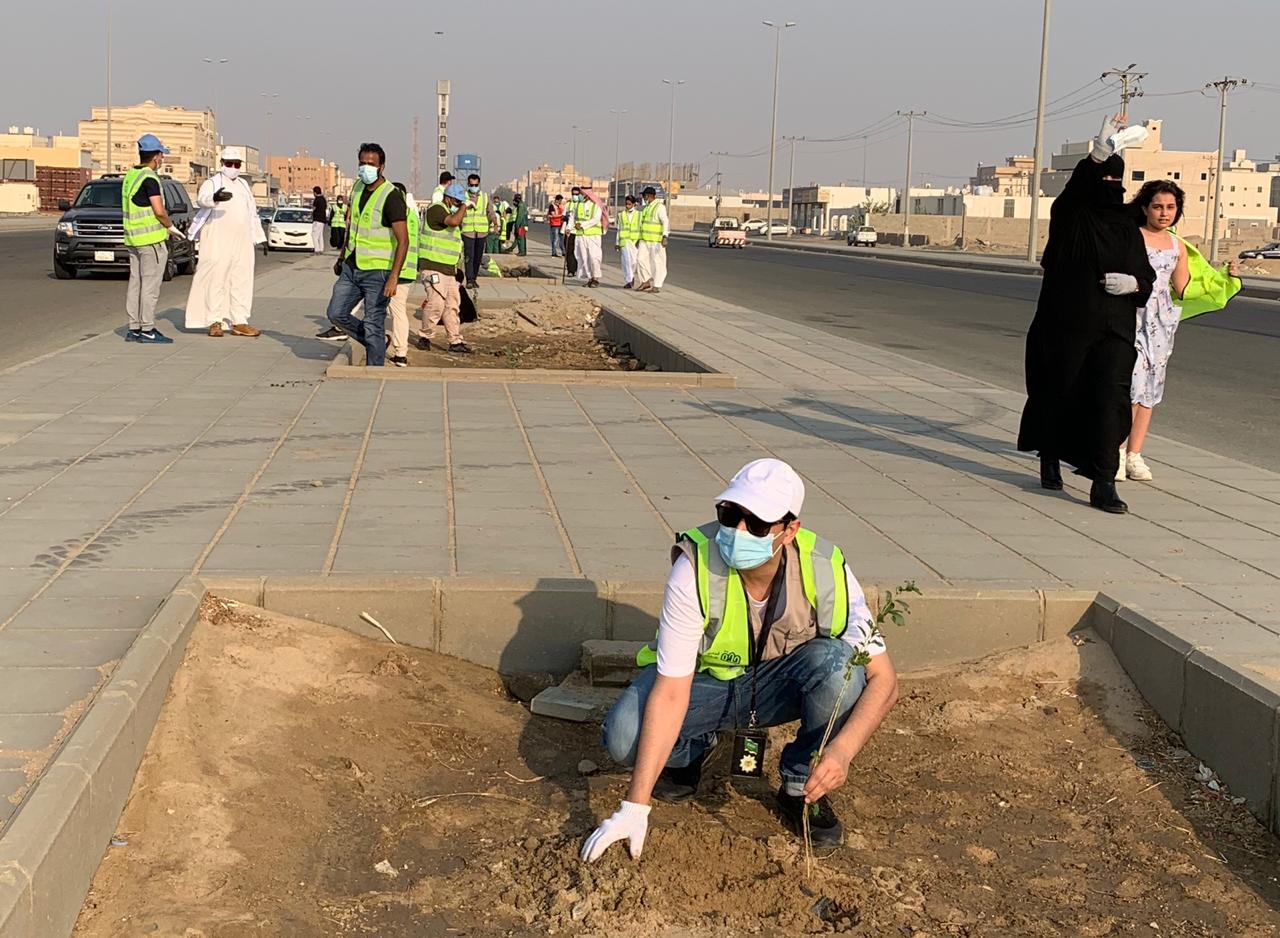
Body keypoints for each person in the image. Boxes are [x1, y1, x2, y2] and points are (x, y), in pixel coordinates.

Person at [581, 458, 898, 862]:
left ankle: (802, 786)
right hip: (706, 685)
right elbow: (673, 690)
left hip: (778, 685)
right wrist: (634, 807)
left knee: (840, 667)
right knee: (624, 737)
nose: (738, 532)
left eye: (758, 524)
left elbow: (884, 680)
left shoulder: (825, 567)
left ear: (790, 530)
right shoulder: (694, 565)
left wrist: (841, 752)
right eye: (730, 516)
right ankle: (692, 748)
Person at [1017, 115, 1155, 514]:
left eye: (1118, 181)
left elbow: (1145, 274)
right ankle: (1049, 453)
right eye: (1105, 180)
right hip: (1069, 326)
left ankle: (1104, 480)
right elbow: (1076, 192)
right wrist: (1096, 155)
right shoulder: (1072, 215)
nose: (1112, 188)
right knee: (1060, 392)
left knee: (1110, 399)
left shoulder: (1128, 226)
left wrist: (1135, 285)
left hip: (1116, 329)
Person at [1118, 181, 1241, 481]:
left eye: (1170, 207)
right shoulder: (1130, 237)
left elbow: (1183, 288)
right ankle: (1116, 451)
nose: (1164, 213)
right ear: (1145, 207)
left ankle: (1135, 454)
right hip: (1129, 316)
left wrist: (1226, 279)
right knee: (1128, 386)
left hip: (1160, 324)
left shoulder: (1177, 246)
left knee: (1149, 389)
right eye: (1158, 206)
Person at [323, 142, 409, 368]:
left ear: (382, 167)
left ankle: (374, 371)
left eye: (371, 164)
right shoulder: (358, 188)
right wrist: (342, 257)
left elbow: (404, 240)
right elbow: (353, 227)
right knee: (336, 313)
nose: (365, 168)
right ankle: (377, 342)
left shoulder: (391, 196)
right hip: (352, 268)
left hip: (378, 273)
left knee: (373, 323)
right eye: (362, 163)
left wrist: (394, 277)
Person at [184, 146, 263, 338]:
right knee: (216, 279)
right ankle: (214, 321)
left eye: (237, 164)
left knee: (241, 280)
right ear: (222, 164)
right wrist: (215, 198)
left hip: (242, 241)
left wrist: (260, 238)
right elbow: (202, 200)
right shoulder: (212, 182)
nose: (233, 167)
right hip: (218, 239)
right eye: (229, 164)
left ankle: (239, 321)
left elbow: (252, 213)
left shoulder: (244, 185)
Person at [122, 133, 182, 344]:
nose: (162, 159)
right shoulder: (150, 178)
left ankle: (134, 328)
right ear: (156, 156)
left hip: (133, 240)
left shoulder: (130, 176)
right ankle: (147, 328)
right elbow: (158, 210)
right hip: (151, 241)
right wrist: (170, 226)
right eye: (161, 156)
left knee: (135, 284)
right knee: (150, 286)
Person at [416, 182, 471, 355]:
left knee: (452, 305)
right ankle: (425, 337)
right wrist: (464, 206)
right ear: (448, 198)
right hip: (432, 267)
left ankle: (455, 340)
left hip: (448, 269)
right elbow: (454, 222)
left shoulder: (447, 211)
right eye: (457, 202)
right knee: (436, 304)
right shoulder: (436, 210)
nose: (458, 206)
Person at [384, 181, 420, 367]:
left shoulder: (397, 214)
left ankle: (399, 351)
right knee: (398, 311)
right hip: (408, 269)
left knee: (392, 311)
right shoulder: (413, 215)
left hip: (395, 269)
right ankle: (399, 351)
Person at [460, 173, 494, 289]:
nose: (473, 186)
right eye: (471, 184)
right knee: (469, 256)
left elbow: (490, 211)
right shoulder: (463, 196)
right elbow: (458, 210)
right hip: (468, 231)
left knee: (478, 257)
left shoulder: (484, 196)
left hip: (481, 232)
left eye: (475, 184)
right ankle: (469, 279)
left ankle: (474, 278)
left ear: (479, 183)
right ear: (468, 184)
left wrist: (495, 223)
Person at [635, 186, 669, 293]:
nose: (644, 198)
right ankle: (645, 281)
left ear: (648, 196)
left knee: (657, 262)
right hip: (644, 240)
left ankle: (657, 285)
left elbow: (665, 222)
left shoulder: (659, 207)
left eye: (644, 196)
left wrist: (665, 236)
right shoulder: (647, 208)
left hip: (656, 241)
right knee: (640, 259)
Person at [573, 186, 605, 287]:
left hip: (593, 235)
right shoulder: (578, 205)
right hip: (581, 235)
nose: (580, 196)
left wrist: (582, 225)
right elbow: (573, 218)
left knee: (594, 257)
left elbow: (596, 219)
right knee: (584, 257)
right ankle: (590, 278)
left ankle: (596, 278)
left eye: (581, 194)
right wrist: (569, 228)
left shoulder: (597, 205)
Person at [615, 194, 641, 288]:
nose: (627, 206)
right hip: (624, 241)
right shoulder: (621, 215)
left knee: (633, 262)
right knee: (626, 261)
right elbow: (619, 229)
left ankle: (632, 276)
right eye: (626, 204)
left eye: (629, 204)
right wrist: (617, 243)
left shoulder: (639, 215)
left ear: (634, 204)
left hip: (634, 241)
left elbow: (640, 228)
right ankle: (629, 280)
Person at [563, 188, 581, 277]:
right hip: (570, 231)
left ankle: (577, 268)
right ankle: (570, 270)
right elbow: (565, 216)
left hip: (579, 232)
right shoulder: (569, 204)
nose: (575, 196)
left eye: (577, 194)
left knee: (578, 252)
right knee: (569, 251)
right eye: (574, 194)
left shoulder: (582, 204)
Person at [311, 186, 328, 253]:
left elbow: (314, 208)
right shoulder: (323, 199)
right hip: (323, 220)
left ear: (315, 192)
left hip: (317, 220)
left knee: (314, 235)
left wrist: (311, 214)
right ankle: (321, 249)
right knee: (320, 235)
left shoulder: (317, 199)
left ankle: (317, 250)